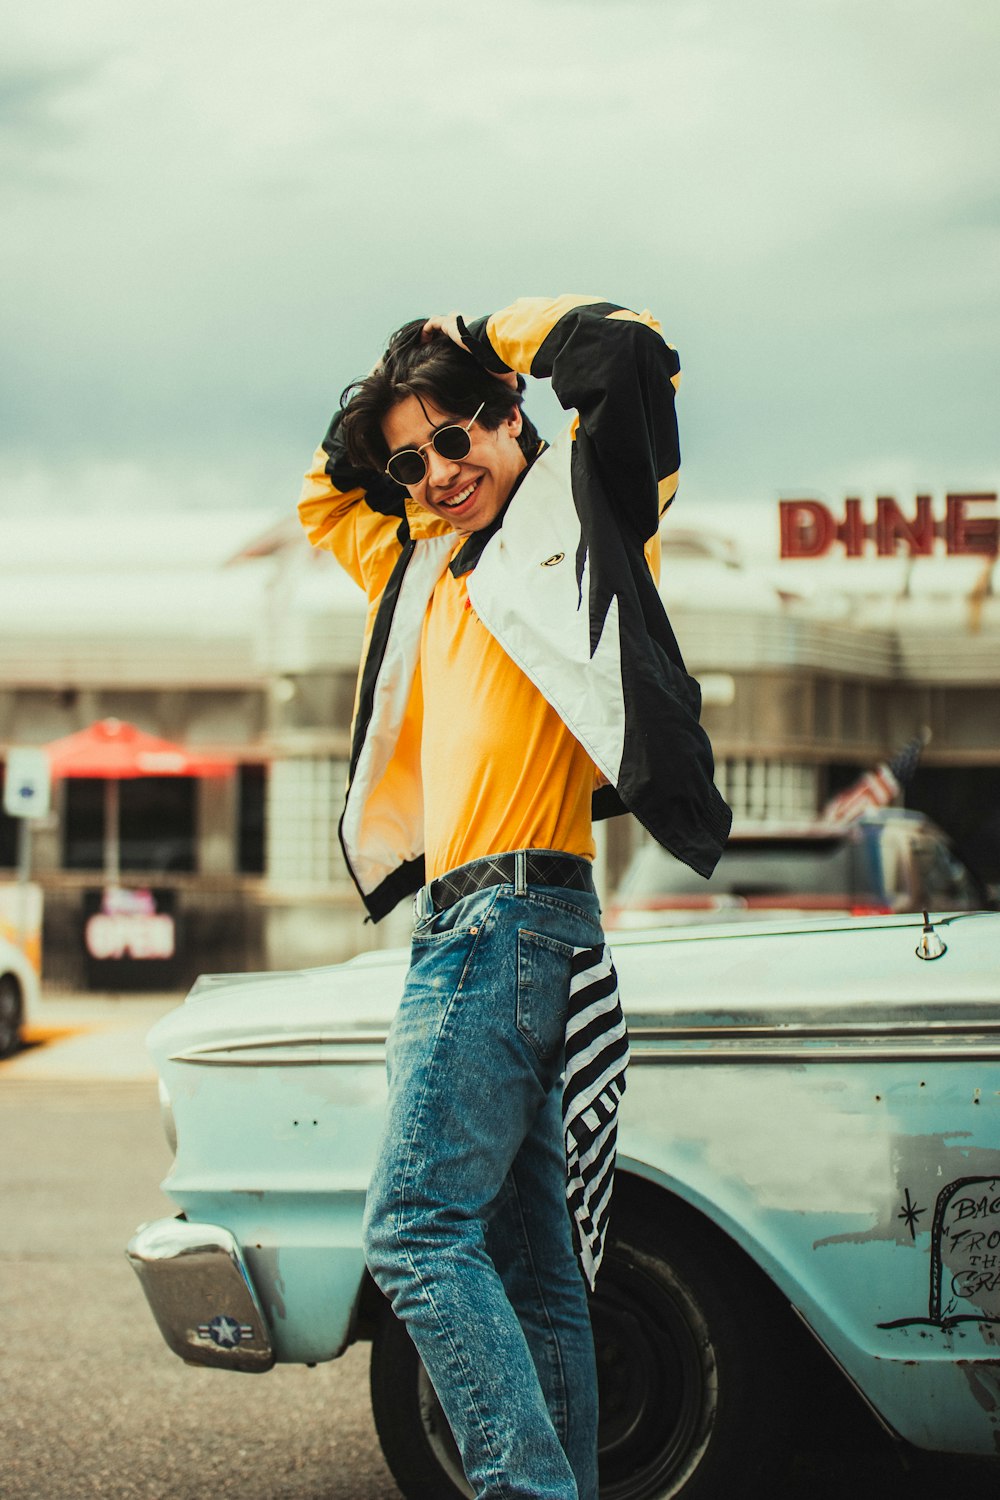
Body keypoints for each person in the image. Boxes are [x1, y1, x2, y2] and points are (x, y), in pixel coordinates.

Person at [298, 295, 731, 1500]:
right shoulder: (421, 564)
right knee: (531, 1269)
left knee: (414, 1234)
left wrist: (481, 330)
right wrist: (395, 385)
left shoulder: (589, 515)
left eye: (455, 439)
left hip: (513, 920)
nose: (434, 473)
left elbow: (631, 353)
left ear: (511, 420)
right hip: (467, 924)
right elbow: (325, 493)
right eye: (411, 460)